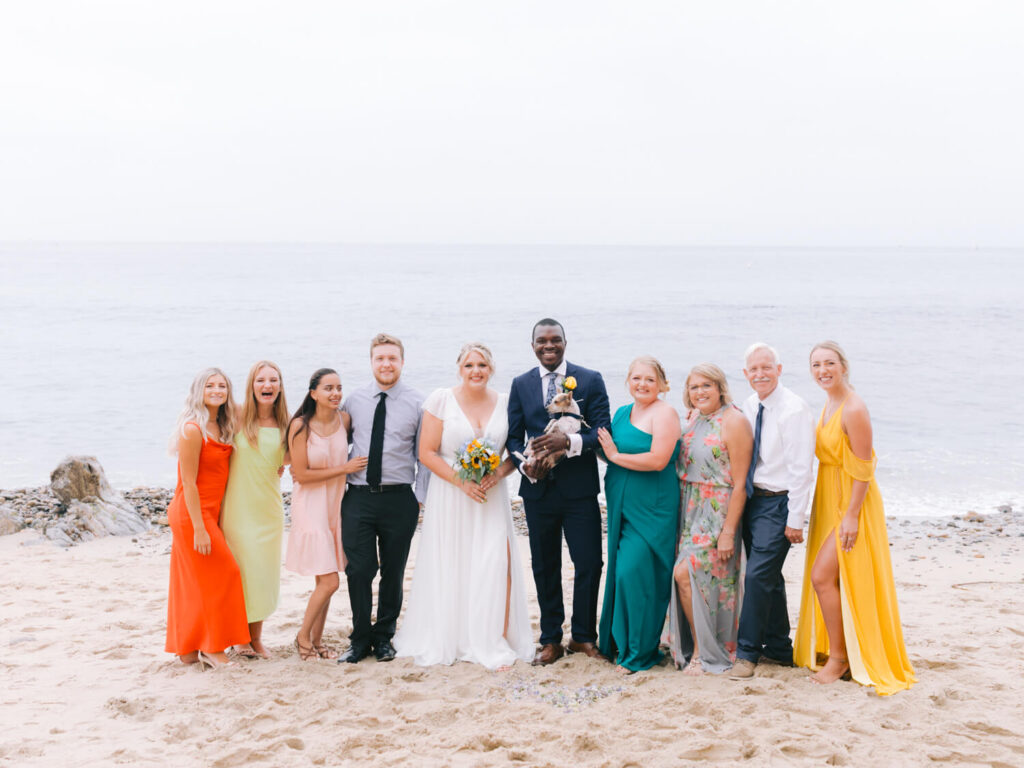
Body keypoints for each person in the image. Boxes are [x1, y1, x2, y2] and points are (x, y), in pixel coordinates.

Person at [394, 343, 534, 669]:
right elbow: (426, 452)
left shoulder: (504, 402)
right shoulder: (440, 399)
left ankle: (491, 636)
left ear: (491, 369)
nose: (476, 371)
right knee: (453, 563)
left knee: (494, 562)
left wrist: (496, 475)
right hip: (452, 496)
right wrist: (462, 481)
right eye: (469, 365)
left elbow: (514, 452)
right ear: (460, 368)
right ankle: (455, 635)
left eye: (482, 365)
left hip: (490, 497)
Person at [794, 341, 915, 694]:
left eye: (829, 363)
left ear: (844, 366)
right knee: (833, 578)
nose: (822, 371)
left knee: (822, 576)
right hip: (828, 495)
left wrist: (851, 516)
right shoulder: (828, 402)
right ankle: (842, 648)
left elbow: (863, 468)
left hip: (851, 501)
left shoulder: (854, 408)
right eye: (815, 365)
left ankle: (840, 657)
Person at [507, 318, 611, 665]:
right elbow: (512, 437)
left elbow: (601, 432)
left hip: (580, 490)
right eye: (541, 341)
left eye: (555, 340)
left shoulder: (590, 379)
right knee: (544, 565)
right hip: (538, 492)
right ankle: (550, 639)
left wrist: (569, 441)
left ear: (565, 342)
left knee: (589, 563)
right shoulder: (520, 383)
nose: (548, 346)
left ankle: (583, 637)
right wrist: (525, 465)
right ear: (532, 345)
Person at [339, 334, 427, 663]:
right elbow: (335, 443)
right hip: (358, 497)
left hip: (399, 498)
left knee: (393, 570)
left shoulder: (419, 403)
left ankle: (385, 636)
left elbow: (425, 455)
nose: (386, 364)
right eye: (380, 358)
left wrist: (419, 498)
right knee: (359, 570)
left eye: (392, 358)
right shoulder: (353, 400)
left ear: (402, 362)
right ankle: (360, 638)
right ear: (371, 362)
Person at [730, 343, 815, 680]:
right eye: (754, 369)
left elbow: (802, 471)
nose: (760, 374)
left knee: (756, 577)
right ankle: (779, 648)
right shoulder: (750, 405)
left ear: (779, 370)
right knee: (768, 577)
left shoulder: (794, 410)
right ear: (746, 374)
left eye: (767, 367)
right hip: (752, 499)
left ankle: (747, 653)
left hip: (779, 502)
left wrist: (795, 519)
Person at [665, 363, 752, 675]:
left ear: (720, 387)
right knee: (705, 581)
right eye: (693, 387)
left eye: (706, 386)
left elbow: (741, 482)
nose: (699, 392)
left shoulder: (734, 421)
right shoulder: (694, 421)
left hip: (718, 510)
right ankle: (696, 647)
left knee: (686, 574)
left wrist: (728, 530)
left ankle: (704, 653)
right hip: (689, 509)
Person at [595, 356, 680, 673]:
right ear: (628, 381)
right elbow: (609, 452)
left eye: (649, 379)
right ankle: (619, 643)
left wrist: (614, 455)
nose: (642, 384)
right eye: (636, 378)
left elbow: (658, 459)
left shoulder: (665, 413)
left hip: (653, 508)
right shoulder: (620, 412)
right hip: (621, 504)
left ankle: (638, 653)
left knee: (636, 574)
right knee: (621, 572)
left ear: (662, 384)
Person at [165, 368, 250, 668]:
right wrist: (200, 529)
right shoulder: (193, 429)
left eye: (223, 386)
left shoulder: (222, 424)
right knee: (225, 574)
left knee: (193, 581)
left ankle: (188, 647)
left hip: (208, 513)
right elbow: (188, 482)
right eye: (210, 386)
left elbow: (257, 410)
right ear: (199, 391)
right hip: (191, 515)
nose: (217, 390)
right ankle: (212, 648)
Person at [285, 369, 366, 660]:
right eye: (328, 388)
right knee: (330, 580)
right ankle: (302, 637)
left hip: (335, 506)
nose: (335, 394)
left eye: (339, 388)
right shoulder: (300, 426)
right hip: (310, 506)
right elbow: (302, 475)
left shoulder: (344, 420)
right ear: (313, 393)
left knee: (325, 581)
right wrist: (344, 468)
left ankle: (317, 642)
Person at [222, 360, 289, 659]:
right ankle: (238, 637)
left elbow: (290, 462)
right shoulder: (236, 416)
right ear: (251, 385)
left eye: (273, 380)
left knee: (263, 576)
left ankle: (256, 638)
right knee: (241, 574)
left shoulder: (287, 423)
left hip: (269, 511)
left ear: (280, 386)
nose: (267, 385)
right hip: (238, 509)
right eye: (261, 380)